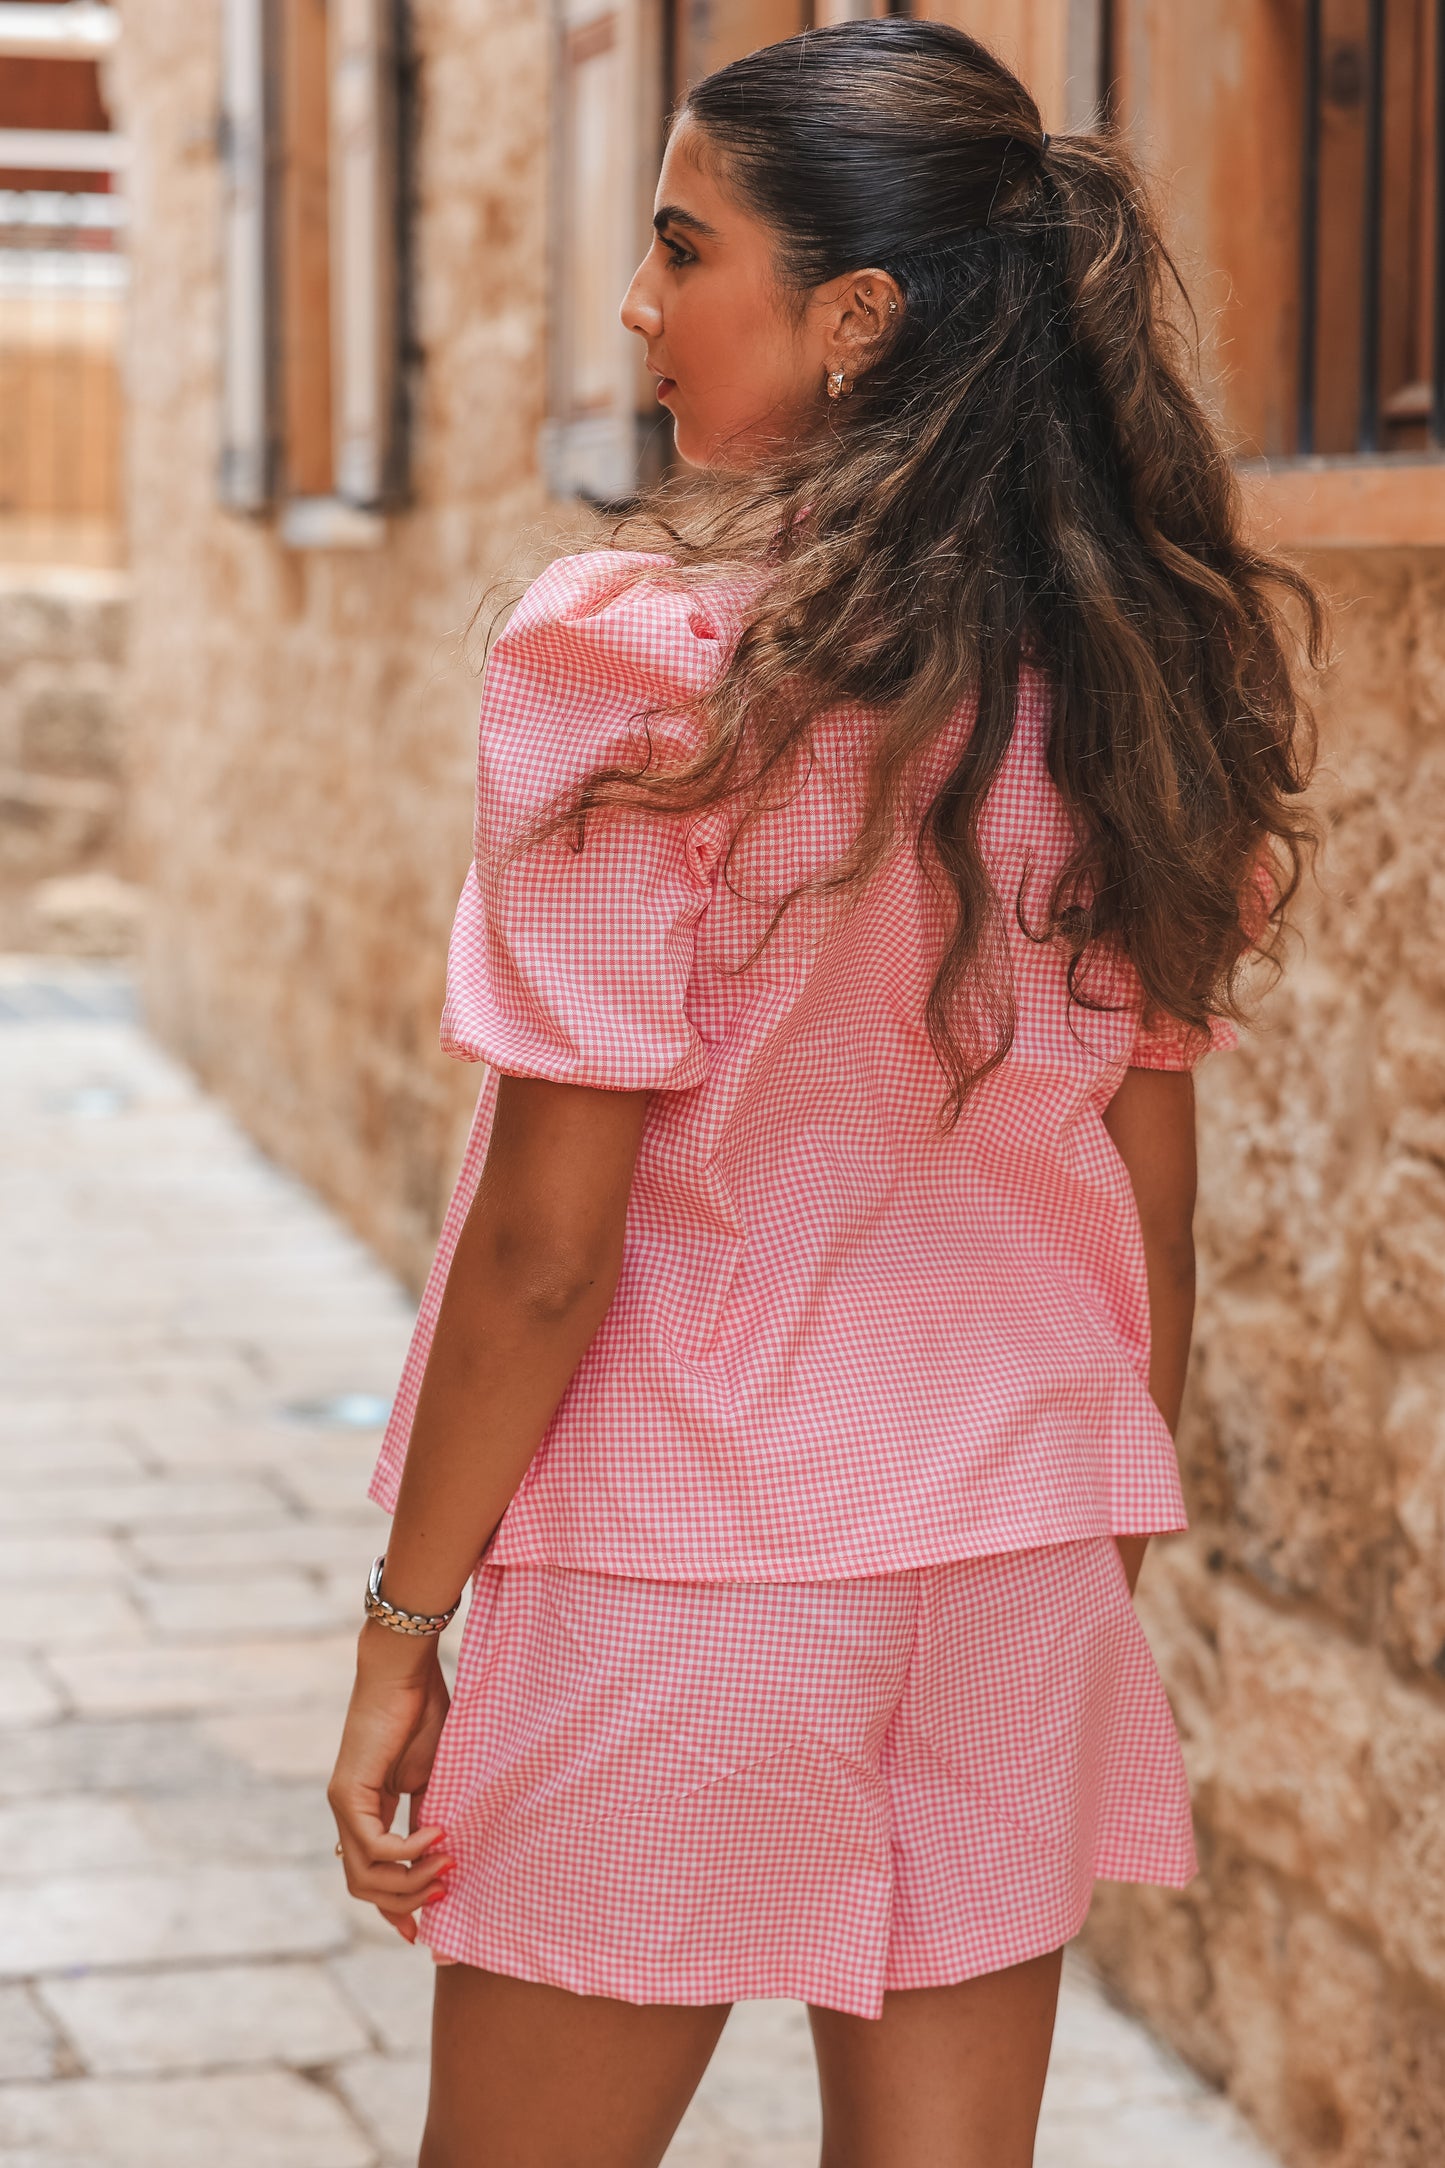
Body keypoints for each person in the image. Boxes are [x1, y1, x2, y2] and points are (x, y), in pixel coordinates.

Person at [327, 19, 1321, 2166]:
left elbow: (543, 1241)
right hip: (1019, 1537)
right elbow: (1152, 1175)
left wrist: (406, 1622)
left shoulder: (652, 672)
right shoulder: (1135, 678)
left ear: (855, 314)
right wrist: (1098, 1505)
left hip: (696, 1547)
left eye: (684, 248)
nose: (637, 304)